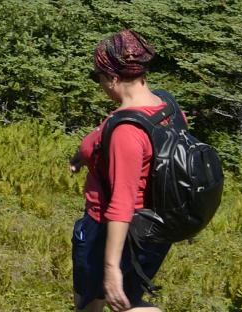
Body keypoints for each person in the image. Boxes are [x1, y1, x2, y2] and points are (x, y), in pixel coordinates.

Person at [69, 29, 171, 312]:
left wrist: (110, 266)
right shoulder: (166, 107)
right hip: (153, 228)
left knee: (109, 302)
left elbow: (122, 203)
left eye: (99, 77)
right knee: (124, 297)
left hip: (111, 229)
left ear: (114, 78)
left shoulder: (127, 130)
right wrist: (83, 155)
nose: (100, 84)